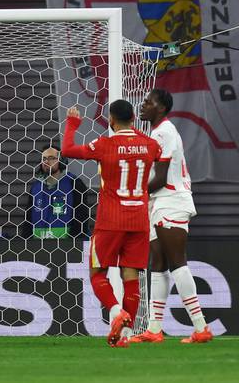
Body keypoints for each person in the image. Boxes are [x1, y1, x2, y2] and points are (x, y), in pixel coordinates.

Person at [61, 101, 161, 347]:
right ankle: (125, 336)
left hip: (110, 220)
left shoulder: (105, 145)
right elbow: (159, 157)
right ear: (134, 118)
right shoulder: (150, 144)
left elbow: (68, 150)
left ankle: (117, 312)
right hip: (139, 219)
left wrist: (73, 124)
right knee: (131, 277)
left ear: (111, 121)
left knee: (97, 273)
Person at [131, 89, 213, 344]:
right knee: (157, 263)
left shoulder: (164, 131)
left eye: (149, 102)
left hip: (172, 201)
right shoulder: (157, 132)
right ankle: (154, 329)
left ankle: (201, 327)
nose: (143, 106)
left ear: (162, 109)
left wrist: (135, 193)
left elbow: (162, 177)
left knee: (177, 262)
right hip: (160, 203)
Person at [23, 145, 90, 240]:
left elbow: (81, 217)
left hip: (69, 247)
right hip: (37, 247)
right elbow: (28, 219)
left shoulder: (74, 183)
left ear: (62, 161)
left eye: (51, 158)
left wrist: (73, 243)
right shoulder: (36, 187)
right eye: (44, 158)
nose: (46, 161)